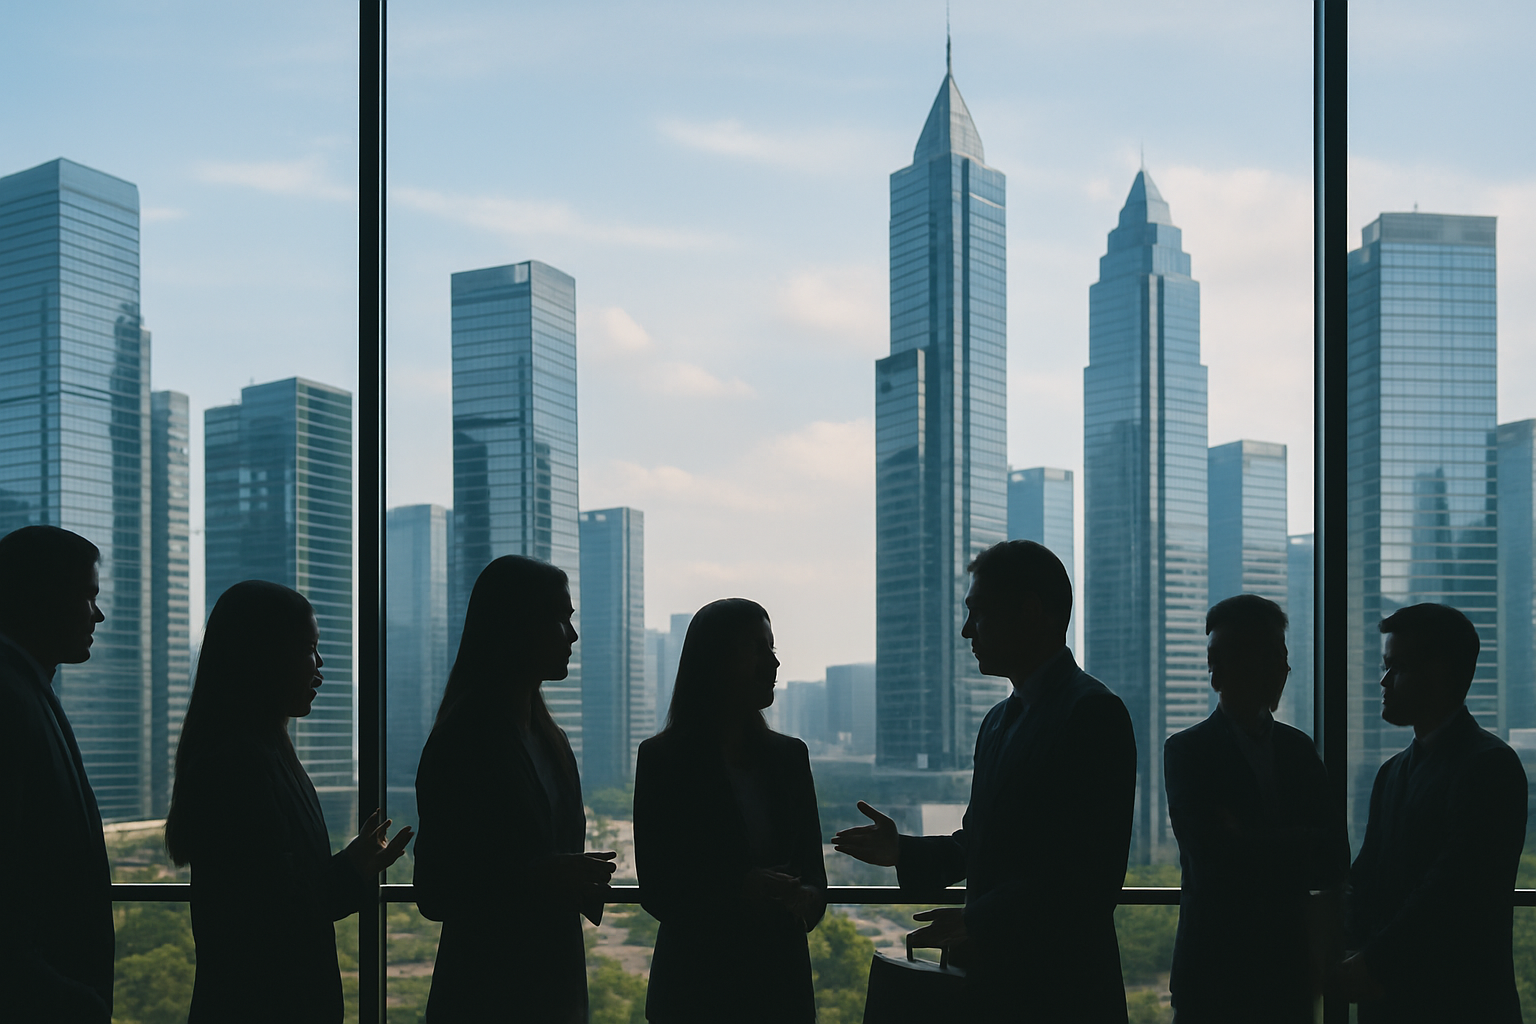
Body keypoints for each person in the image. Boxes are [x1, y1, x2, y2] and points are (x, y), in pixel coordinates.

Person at [835, 540, 1137, 1023]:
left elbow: (1089, 874)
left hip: (1059, 991)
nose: (966, 630)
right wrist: (903, 853)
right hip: (996, 982)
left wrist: (977, 918)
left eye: (978, 612)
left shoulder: (1093, 714)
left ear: (1030, 611)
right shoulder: (999, 720)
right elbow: (979, 844)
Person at [164, 580, 411, 1023]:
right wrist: (352, 868)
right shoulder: (241, 764)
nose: (319, 666)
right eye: (308, 648)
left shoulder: (247, 752)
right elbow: (275, 918)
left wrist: (351, 863)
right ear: (263, 656)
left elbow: (278, 894)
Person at [413, 556, 614, 1023]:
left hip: (552, 988)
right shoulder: (464, 740)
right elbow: (435, 891)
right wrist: (543, 877)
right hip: (486, 993)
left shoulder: (552, 741)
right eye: (559, 618)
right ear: (516, 625)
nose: (572, 634)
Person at [634, 598, 828, 1024]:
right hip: (696, 992)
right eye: (757, 649)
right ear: (714, 660)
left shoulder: (790, 757)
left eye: (772, 649)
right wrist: (740, 889)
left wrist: (807, 897)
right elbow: (657, 887)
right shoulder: (663, 760)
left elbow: (814, 874)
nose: (774, 663)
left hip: (780, 993)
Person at [1163, 594, 1349, 1023]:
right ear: (1221, 666)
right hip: (1213, 976)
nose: (1283, 668)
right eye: (1270, 654)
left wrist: (1246, 839)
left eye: (1281, 655)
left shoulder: (1298, 749)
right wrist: (1295, 842)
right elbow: (1212, 860)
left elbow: (1334, 860)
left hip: (1287, 974)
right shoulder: (1188, 751)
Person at [1339, 603, 1527, 1022]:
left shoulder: (1490, 766)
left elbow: (1455, 889)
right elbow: (1367, 875)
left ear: (1439, 674)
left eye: (1396, 668)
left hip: (1458, 1005)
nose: (1384, 682)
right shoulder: (1393, 772)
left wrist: (1369, 960)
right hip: (1396, 999)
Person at [0, 526, 113, 1023]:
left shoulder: (27, 687)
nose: (98, 614)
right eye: (86, 596)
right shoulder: (11, 700)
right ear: (40, 596)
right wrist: (57, 994)